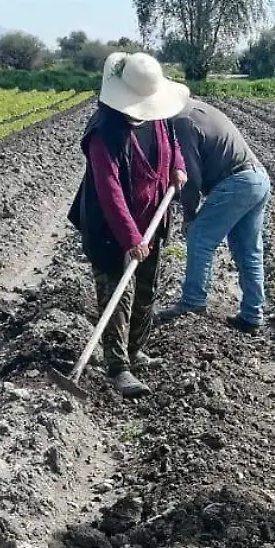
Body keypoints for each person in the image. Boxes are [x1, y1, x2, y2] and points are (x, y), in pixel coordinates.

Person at [66, 52, 188, 398]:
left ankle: (135, 350)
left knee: (146, 290)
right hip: (111, 227)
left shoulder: (156, 114)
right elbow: (109, 190)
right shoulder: (104, 133)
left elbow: (172, 145)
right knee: (118, 295)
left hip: (151, 218)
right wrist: (130, 237)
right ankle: (118, 367)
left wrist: (176, 167)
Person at [163, 100, 272, 333]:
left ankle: (193, 302)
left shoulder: (182, 122)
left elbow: (191, 177)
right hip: (258, 177)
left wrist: (189, 216)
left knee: (200, 237)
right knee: (248, 250)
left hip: (236, 181)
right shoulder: (196, 109)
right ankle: (252, 315)